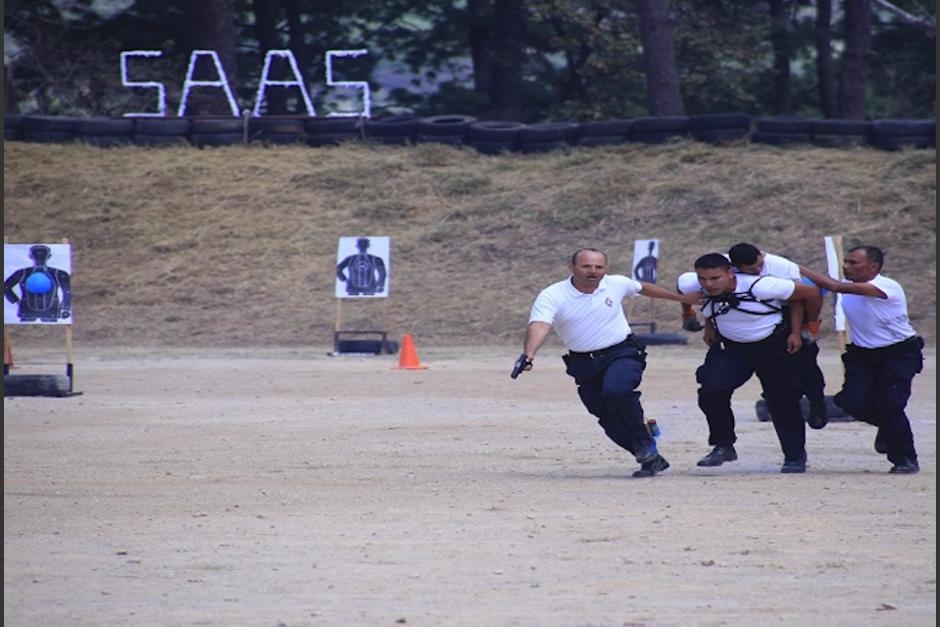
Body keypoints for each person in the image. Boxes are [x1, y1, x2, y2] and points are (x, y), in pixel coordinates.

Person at [513, 248, 698, 478]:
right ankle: (650, 457)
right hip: (583, 363)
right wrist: (528, 355)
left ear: (605, 269)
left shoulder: (616, 283)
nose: (593, 271)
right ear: (572, 268)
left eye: (599, 267)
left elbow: (642, 288)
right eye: (586, 266)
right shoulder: (553, 295)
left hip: (622, 352)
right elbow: (540, 325)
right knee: (605, 417)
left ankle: (643, 439)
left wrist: (680, 299)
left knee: (616, 390)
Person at [678, 253, 822, 473]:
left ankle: (794, 456)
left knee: (782, 400)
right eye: (703, 279)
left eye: (715, 278)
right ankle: (724, 444)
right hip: (732, 347)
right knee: (711, 390)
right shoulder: (690, 283)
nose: (708, 284)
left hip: (773, 344)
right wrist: (689, 314)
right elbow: (682, 291)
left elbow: (811, 293)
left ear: (730, 272)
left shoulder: (762, 285)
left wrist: (803, 329)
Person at [798, 246, 923, 474]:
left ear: (874, 266)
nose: (846, 266)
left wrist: (796, 267)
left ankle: (905, 458)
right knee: (851, 402)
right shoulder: (850, 290)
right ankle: (887, 427)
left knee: (890, 405)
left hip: (898, 353)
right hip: (864, 355)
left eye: (853, 263)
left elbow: (834, 286)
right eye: (845, 262)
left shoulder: (886, 286)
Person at [728, 242, 828, 429]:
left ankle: (817, 401)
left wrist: (798, 331)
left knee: (806, 360)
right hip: (762, 317)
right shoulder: (725, 268)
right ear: (736, 267)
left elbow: (797, 300)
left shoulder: (782, 266)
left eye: (760, 264)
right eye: (752, 269)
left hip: (791, 312)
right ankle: (775, 396)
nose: (759, 269)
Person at [3, 244, 72, 322]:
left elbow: (68, 291)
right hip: (40, 312)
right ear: (49, 256)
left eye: (42, 255)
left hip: (39, 312)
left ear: (30, 256)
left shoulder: (22, 273)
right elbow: (5, 287)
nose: (39, 258)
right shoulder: (58, 273)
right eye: (37, 255)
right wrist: (15, 300)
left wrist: (16, 301)